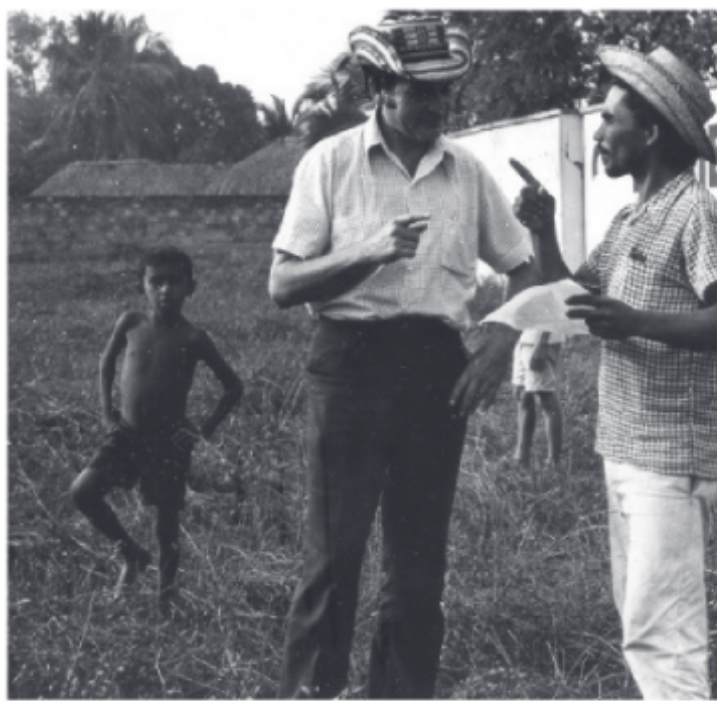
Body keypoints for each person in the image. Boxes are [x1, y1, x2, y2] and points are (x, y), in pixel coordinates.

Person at [268, 15, 539, 699]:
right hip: (350, 366)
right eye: (421, 93)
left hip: (435, 371)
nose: (438, 109)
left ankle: (402, 694)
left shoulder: (465, 171)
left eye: (446, 95)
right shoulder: (329, 164)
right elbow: (282, 284)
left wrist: (500, 343)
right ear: (379, 89)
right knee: (335, 555)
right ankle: (314, 693)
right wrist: (368, 249)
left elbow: (525, 268)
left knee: (419, 564)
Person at [514, 45, 717, 699]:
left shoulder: (698, 213)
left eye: (610, 119)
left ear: (649, 133)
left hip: (671, 458)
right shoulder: (629, 218)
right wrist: (541, 230)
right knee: (640, 627)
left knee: (662, 640)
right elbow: (573, 299)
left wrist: (638, 321)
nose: (598, 133)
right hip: (624, 449)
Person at [70, 247, 244, 616]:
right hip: (126, 435)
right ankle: (131, 555)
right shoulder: (130, 322)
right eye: (156, 281)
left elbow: (234, 388)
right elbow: (106, 362)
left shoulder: (195, 338)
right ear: (142, 286)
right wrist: (106, 412)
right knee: (83, 491)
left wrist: (202, 431)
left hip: (168, 443)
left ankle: (166, 600)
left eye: (175, 281)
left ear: (190, 287)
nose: (165, 290)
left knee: (166, 525)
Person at [511, 328, 564, 469]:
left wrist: (544, 341)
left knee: (545, 396)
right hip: (524, 338)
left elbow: (553, 309)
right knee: (523, 395)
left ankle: (553, 461)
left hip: (540, 341)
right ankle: (521, 457)